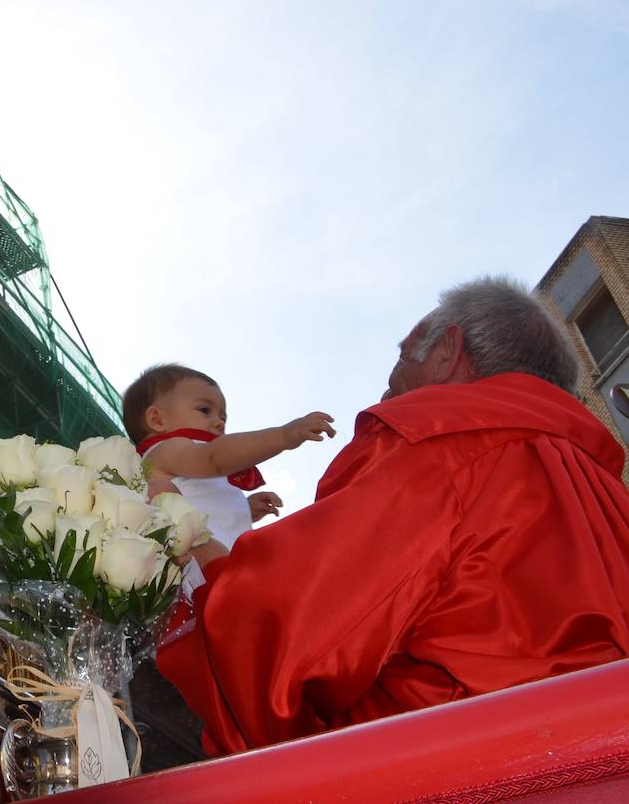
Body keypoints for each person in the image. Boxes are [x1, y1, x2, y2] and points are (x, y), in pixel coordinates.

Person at [157, 277, 629, 757]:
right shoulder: (606, 490)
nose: (387, 392)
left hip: (457, 765)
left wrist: (200, 552)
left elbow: (278, 650)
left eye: (403, 359)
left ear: (448, 352)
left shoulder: (438, 440)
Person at [122, 364, 334, 548]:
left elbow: (208, 506)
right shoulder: (167, 449)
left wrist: (244, 509)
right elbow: (213, 458)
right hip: (195, 561)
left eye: (222, 416)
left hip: (218, 558)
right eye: (205, 410)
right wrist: (282, 435)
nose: (219, 422)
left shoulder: (189, 456)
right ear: (157, 419)